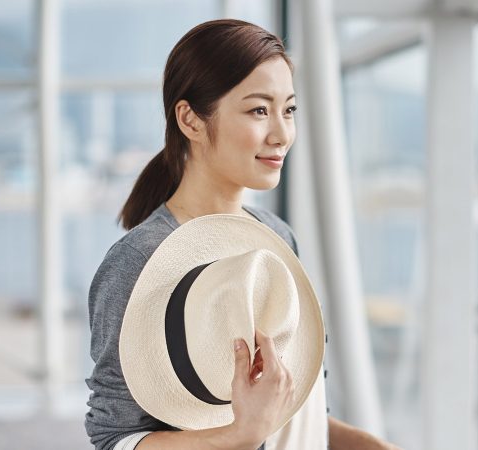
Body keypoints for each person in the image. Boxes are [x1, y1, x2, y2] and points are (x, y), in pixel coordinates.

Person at [84, 19, 399, 450]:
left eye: (288, 109)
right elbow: (113, 438)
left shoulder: (277, 237)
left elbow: (299, 413)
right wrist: (239, 436)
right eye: (258, 110)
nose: (282, 134)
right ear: (190, 120)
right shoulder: (138, 261)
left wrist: (368, 445)